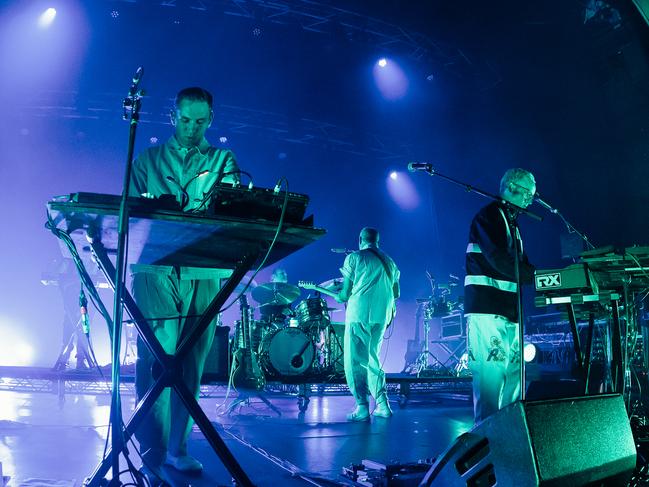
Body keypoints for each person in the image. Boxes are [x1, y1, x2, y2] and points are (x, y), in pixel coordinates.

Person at [129, 87, 240, 481]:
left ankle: (177, 448)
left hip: (203, 271)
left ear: (211, 119)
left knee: (191, 363)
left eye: (200, 120)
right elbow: (134, 213)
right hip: (155, 269)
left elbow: (231, 211)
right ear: (172, 116)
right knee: (156, 359)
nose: (192, 128)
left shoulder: (223, 160)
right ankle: (151, 449)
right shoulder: (147, 159)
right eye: (186, 119)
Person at [464, 168, 536, 423]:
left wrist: (540, 276)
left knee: (515, 372)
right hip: (487, 308)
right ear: (511, 187)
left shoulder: (511, 222)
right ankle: (486, 438)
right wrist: (538, 277)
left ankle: (511, 431)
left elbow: (518, 266)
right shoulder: (490, 216)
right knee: (490, 376)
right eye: (528, 193)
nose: (530, 200)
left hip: (509, 309)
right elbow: (499, 259)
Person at [335, 227, 400, 421]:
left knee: (355, 361)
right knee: (373, 359)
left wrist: (339, 296)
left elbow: (345, 294)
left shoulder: (354, 258)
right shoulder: (390, 262)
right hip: (382, 316)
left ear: (360, 239)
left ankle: (362, 407)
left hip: (359, 315)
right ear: (378, 241)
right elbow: (396, 293)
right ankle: (383, 405)